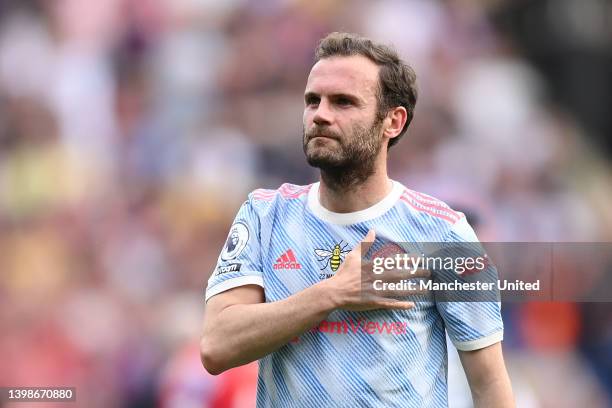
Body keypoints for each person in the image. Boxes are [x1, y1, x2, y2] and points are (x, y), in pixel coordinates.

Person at [200, 32, 514, 407]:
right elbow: (217, 346)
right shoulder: (265, 214)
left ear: (393, 121)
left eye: (343, 102)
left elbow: (490, 385)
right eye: (312, 100)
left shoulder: (443, 232)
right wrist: (333, 293)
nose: (320, 114)